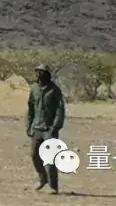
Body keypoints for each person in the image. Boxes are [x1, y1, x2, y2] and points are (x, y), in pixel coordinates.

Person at [26, 63, 66, 193]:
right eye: (37, 72)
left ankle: (53, 187)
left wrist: (55, 126)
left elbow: (60, 110)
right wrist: (28, 125)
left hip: (49, 129)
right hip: (37, 128)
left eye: (42, 72)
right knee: (34, 155)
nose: (39, 74)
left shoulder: (54, 90)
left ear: (47, 75)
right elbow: (31, 109)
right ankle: (43, 178)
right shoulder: (33, 89)